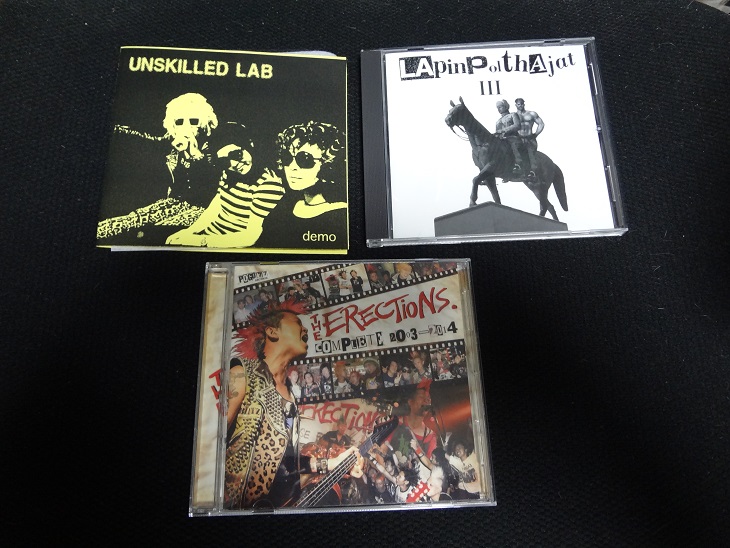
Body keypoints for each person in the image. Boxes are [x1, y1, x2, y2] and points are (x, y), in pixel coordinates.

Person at [224, 299, 363, 509]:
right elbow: (212, 445)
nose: (305, 329)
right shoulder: (243, 374)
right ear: (272, 332)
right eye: (297, 323)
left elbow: (289, 464)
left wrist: (334, 463)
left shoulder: (290, 395)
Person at [165, 122, 285, 247]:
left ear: (250, 145)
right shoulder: (229, 173)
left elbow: (250, 236)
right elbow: (215, 207)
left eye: (236, 154)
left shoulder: (268, 185)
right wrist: (189, 232)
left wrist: (199, 241)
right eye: (225, 161)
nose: (233, 164)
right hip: (209, 238)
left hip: (228, 246)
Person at [256, 121, 347, 249]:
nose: (292, 167)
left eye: (304, 159)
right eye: (287, 157)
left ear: (329, 164)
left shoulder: (341, 216)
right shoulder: (286, 202)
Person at [515, 98, 544, 179]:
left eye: (521, 104)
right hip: (519, 139)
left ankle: (533, 172)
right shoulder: (514, 115)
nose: (520, 105)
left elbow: (541, 124)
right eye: (518, 104)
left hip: (529, 138)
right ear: (516, 105)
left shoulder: (531, 114)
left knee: (532, 155)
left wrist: (536, 134)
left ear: (524, 104)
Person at [494, 99, 524, 176]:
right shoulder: (498, 121)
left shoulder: (513, 115)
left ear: (506, 107)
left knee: (512, 144)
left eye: (500, 107)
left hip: (513, 137)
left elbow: (517, 125)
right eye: (497, 108)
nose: (498, 109)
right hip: (502, 140)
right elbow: (497, 132)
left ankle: (518, 164)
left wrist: (503, 130)